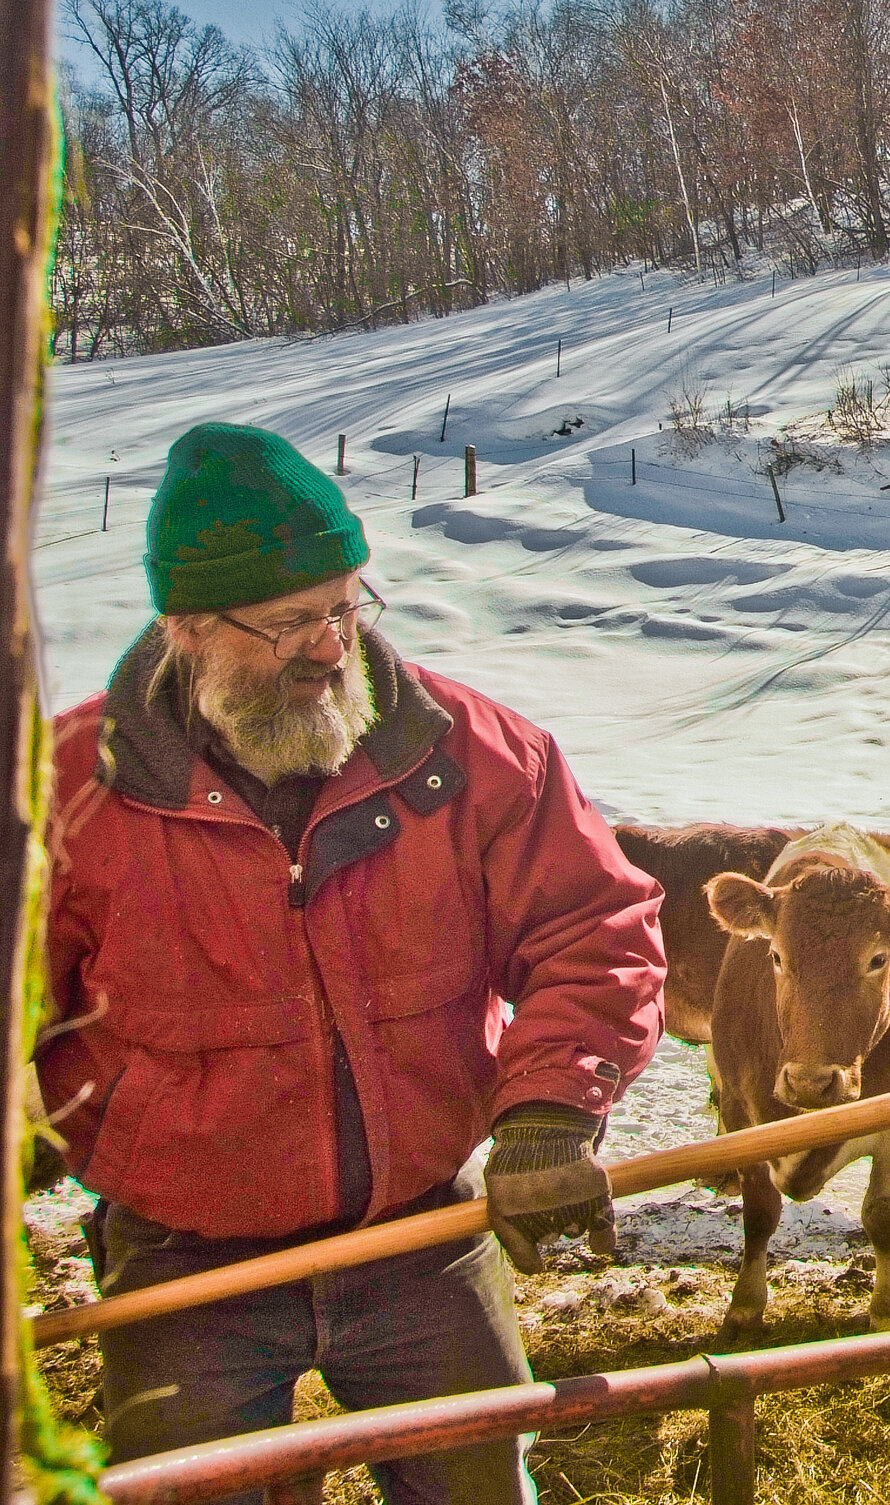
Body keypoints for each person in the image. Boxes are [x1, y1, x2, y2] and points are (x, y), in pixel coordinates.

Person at [35, 423, 668, 1503]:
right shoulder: (69, 792)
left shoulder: (468, 752)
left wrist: (552, 1107)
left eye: (343, 605)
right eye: (287, 623)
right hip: (186, 1265)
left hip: (422, 1233)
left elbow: (590, 927)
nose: (330, 646)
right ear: (186, 629)